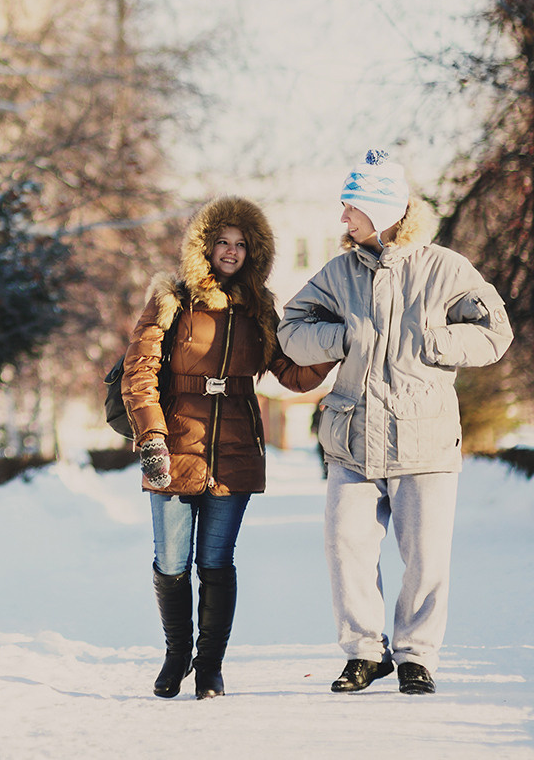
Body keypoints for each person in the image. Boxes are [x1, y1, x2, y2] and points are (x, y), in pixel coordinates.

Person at [278, 149, 513, 697]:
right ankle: (364, 653)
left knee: (426, 558)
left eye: (351, 207)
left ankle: (416, 656)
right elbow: (291, 329)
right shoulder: (338, 273)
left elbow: (494, 332)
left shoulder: (446, 268)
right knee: (346, 549)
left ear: (383, 209)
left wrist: (433, 342)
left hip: (424, 439)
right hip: (353, 439)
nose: (343, 218)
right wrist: (342, 337)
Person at [121, 197, 335, 700]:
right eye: (222, 242)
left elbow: (290, 373)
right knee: (172, 562)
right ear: (204, 246)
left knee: (216, 563)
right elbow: (139, 370)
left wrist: (333, 347)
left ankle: (210, 666)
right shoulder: (172, 299)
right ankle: (177, 655)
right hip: (174, 445)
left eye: (241, 244)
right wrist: (151, 438)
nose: (231, 251)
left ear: (254, 251)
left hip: (235, 449)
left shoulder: (260, 308)